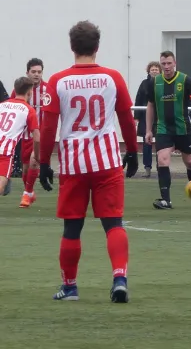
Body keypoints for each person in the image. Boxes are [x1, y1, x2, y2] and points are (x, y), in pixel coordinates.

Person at [39, 20, 139, 303]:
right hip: (107, 161)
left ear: (72, 47)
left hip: (73, 164)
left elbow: (48, 126)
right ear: (97, 47)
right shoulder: (113, 77)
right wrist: (132, 151)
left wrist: (45, 162)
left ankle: (70, 287)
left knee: (72, 227)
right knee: (114, 223)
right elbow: (126, 119)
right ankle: (119, 278)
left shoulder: (58, 81)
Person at [145, 51, 191, 209]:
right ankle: (166, 200)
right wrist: (148, 130)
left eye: (169, 63)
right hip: (163, 128)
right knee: (162, 158)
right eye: (163, 64)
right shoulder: (154, 82)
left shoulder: (185, 80)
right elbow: (150, 105)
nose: (166, 67)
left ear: (175, 63)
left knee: (190, 162)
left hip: (182, 127)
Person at [11, 58, 47, 208]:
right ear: (27, 72)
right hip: (24, 135)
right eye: (33, 72)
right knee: (25, 169)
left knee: (34, 161)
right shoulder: (19, 90)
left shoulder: (47, 90)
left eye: (39, 72)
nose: (37, 75)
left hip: (40, 134)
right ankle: (30, 192)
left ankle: (26, 194)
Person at [0, 77, 40, 196]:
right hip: (5, 152)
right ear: (29, 92)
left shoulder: (2, 105)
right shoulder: (29, 110)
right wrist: (37, 156)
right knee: (1, 187)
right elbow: (37, 138)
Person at [134, 61, 161, 178]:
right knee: (147, 143)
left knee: (162, 143)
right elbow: (138, 99)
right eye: (152, 69)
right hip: (146, 117)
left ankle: (161, 167)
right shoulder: (144, 84)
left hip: (160, 116)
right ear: (149, 71)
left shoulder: (163, 83)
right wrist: (136, 117)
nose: (154, 71)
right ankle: (147, 168)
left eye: (156, 69)